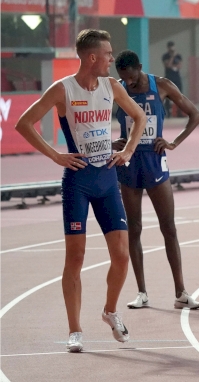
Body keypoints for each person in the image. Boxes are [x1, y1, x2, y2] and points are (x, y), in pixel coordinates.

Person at [14, 29, 147, 353]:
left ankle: (110, 311)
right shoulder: (63, 90)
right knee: (75, 257)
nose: (112, 59)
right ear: (92, 57)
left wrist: (128, 151)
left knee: (121, 254)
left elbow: (139, 116)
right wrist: (56, 154)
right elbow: (24, 123)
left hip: (107, 181)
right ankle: (75, 330)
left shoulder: (111, 86)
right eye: (108, 54)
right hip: (78, 182)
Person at [112, 50, 199, 310]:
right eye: (123, 80)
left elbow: (195, 115)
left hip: (155, 162)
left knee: (169, 227)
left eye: (131, 79)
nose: (128, 84)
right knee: (134, 228)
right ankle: (142, 293)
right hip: (128, 162)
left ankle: (181, 293)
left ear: (139, 67)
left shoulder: (162, 85)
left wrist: (173, 142)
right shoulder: (116, 89)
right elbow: (98, 119)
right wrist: (112, 142)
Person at [162, 41, 183, 117]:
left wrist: (175, 63)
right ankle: (168, 113)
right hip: (169, 77)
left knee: (179, 95)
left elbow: (179, 66)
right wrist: (172, 57)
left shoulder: (179, 56)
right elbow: (168, 65)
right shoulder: (165, 56)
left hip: (177, 77)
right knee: (168, 95)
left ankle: (179, 112)